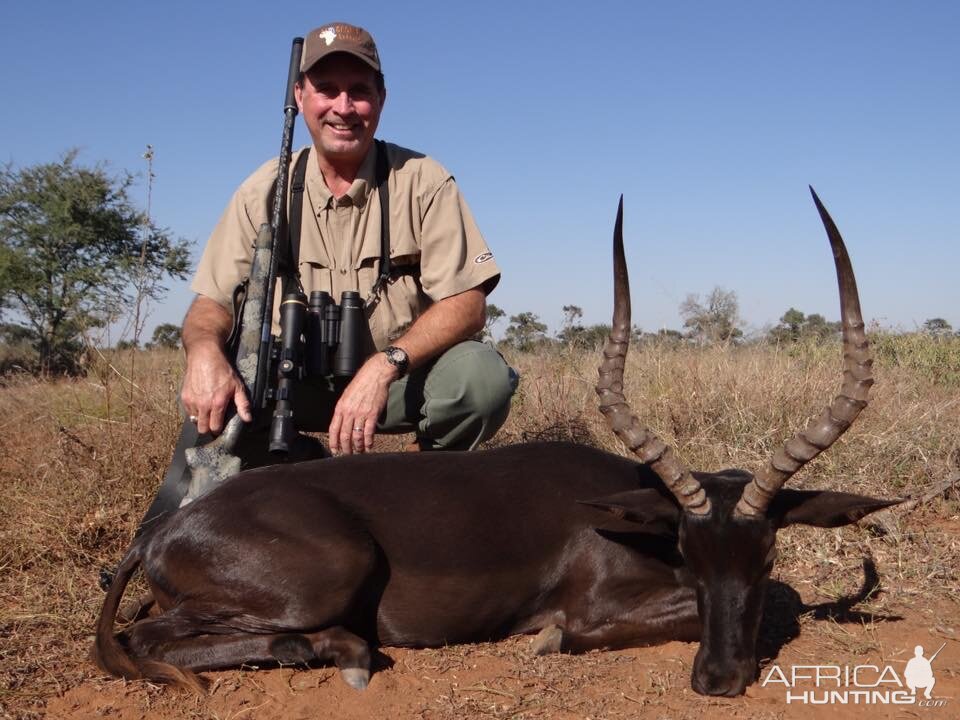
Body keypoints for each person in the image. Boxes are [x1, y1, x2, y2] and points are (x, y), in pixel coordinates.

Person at [180, 21, 516, 465]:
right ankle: (298, 464)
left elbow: (467, 303)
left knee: (482, 381)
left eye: (359, 90)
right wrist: (203, 351)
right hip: (293, 386)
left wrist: (384, 365)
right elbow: (212, 304)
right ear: (300, 97)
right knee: (215, 386)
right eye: (327, 89)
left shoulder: (422, 180)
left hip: (397, 378)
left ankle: (416, 477)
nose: (344, 107)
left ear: (381, 99)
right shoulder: (262, 189)